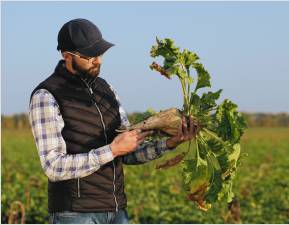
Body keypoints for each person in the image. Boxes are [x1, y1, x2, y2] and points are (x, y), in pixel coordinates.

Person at [28, 18, 198, 224]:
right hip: (74, 215)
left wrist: (170, 143)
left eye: (99, 53)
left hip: (116, 211)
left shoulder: (106, 89)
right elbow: (53, 166)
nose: (97, 60)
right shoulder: (47, 95)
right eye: (88, 56)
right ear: (67, 56)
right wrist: (112, 150)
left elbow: (127, 153)